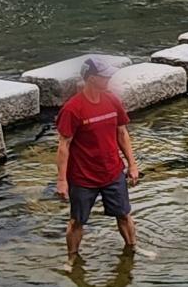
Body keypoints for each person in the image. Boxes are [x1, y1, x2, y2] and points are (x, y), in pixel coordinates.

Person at [55, 58, 139, 261]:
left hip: (112, 172)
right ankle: (72, 258)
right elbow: (63, 146)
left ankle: (132, 250)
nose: (109, 78)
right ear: (92, 79)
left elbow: (122, 133)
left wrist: (132, 164)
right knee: (77, 221)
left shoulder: (112, 100)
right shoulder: (72, 109)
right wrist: (62, 180)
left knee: (124, 215)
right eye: (105, 76)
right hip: (83, 177)